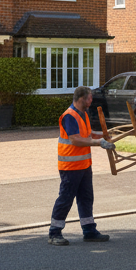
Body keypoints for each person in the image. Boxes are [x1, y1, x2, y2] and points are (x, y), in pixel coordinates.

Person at [49, 85, 116, 245]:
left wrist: (103, 135)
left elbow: (88, 134)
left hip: (84, 165)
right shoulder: (69, 116)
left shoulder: (83, 114)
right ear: (81, 99)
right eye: (89, 97)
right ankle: (54, 233)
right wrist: (99, 142)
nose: (92, 100)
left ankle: (89, 230)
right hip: (71, 167)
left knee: (86, 198)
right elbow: (75, 139)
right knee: (66, 199)